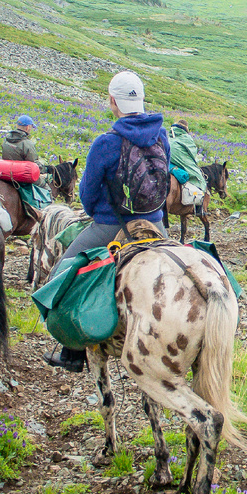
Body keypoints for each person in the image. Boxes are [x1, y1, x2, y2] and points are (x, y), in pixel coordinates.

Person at [43, 71, 170, 373]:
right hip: (156, 223)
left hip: (111, 226)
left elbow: (87, 197)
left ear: (113, 101)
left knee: (64, 270)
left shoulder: (105, 143)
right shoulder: (162, 135)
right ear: (141, 99)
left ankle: (71, 351)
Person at [167, 119, 205, 216]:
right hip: (181, 161)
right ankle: (199, 208)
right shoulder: (186, 138)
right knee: (199, 178)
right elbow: (192, 153)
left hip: (167, 162)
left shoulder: (168, 136)